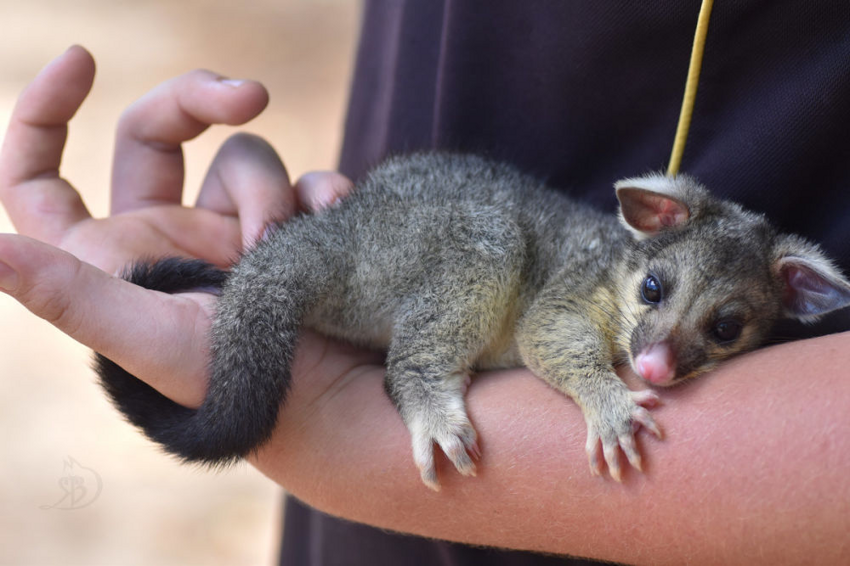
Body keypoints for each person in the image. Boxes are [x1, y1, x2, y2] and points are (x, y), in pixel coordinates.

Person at [1, 2, 849, 564]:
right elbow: (556, 332)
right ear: (650, 220)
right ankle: (419, 379)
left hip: (402, 470)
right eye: (657, 298)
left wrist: (337, 426)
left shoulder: (745, 281)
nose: (662, 358)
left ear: (797, 297)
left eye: (724, 331)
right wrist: (599, 392)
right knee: (486, 241)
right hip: (415, 253)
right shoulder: (603, 274)